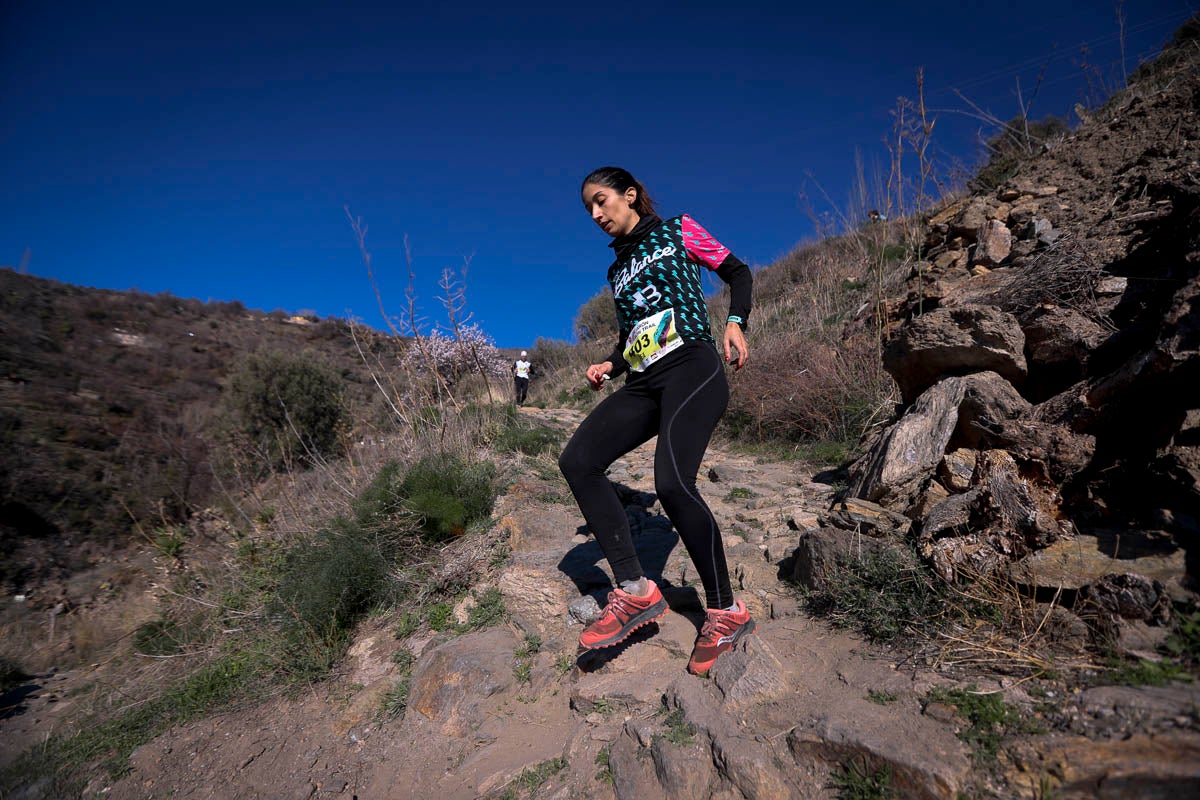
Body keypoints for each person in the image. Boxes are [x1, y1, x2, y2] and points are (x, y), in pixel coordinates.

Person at [558, 166, 755, 676]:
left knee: (670, 483)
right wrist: (611, 363)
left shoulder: (679, 229)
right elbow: (633, 334)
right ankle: (636, 591)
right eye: (589, 210)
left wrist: (735, 322)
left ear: (630, 195)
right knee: (578, 460)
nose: (597, 215)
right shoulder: (616, 271)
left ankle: (726, 611)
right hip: (644, 380)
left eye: (602, 201)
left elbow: (737, 272)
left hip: (693, 365)